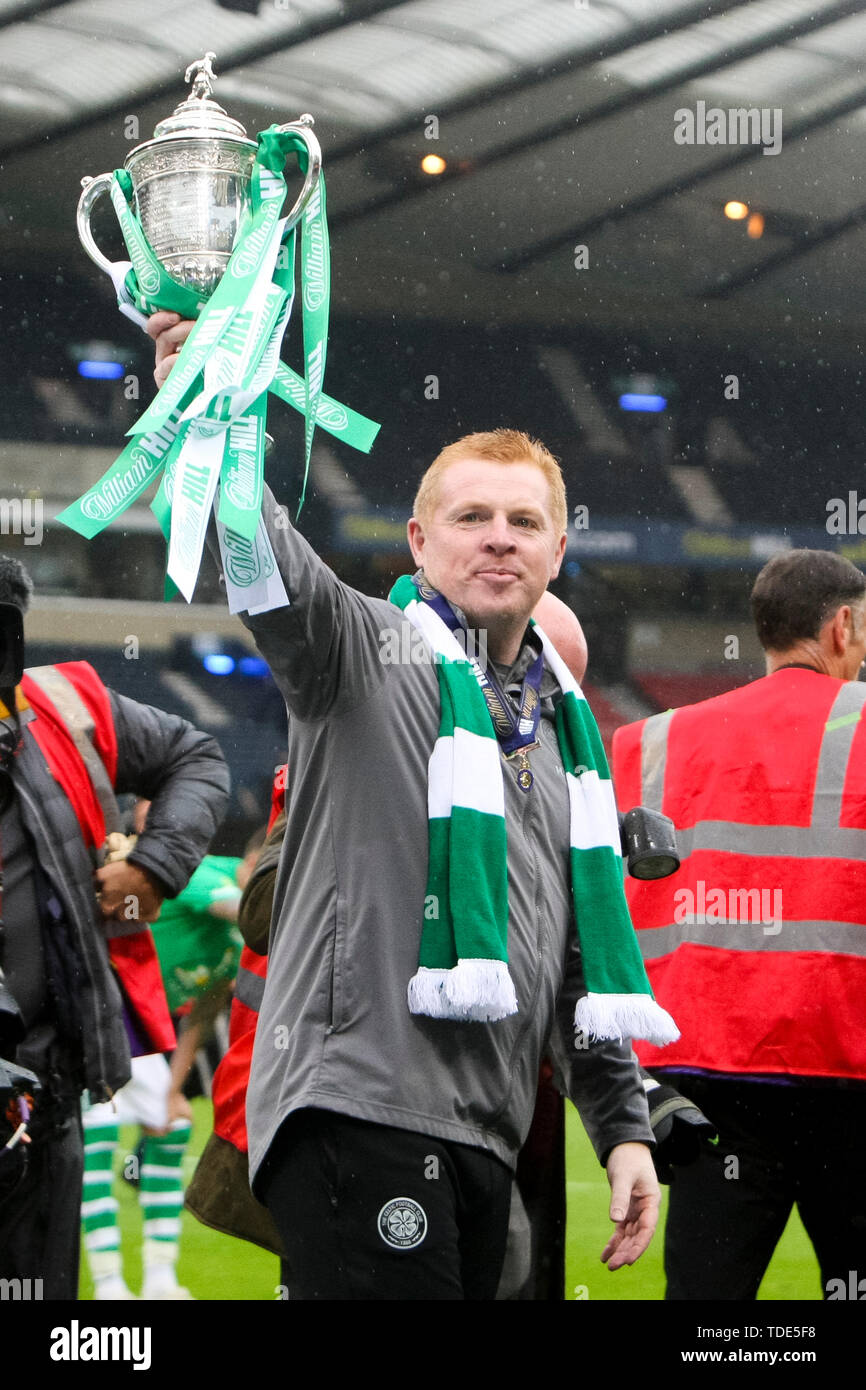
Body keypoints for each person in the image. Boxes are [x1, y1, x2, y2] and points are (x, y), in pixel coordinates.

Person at [149, 312, 677, 1301]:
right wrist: (207, 413)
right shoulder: (360, 653)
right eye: (471, 517)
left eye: (522, 523)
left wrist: (621, 1130)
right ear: (417, 539)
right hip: (358, 1106)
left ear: (557, 549)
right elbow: (260, 557)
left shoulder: (568, 744)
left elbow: (574, 962)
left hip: (485, 1125)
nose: (496, 539)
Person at [611, 548, 866, 1301]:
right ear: (842, 626)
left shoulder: (649, 742)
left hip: (710, 1083)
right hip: (850, 1072)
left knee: (706, 1304)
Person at [0, 553, 230, 1300]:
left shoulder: (68, 705)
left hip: (44, 1094)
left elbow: (196, 758)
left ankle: (144, 1279)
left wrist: (156, 866)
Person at [80, 817, 249, 1301]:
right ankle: (110, 1283)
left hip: (141, 1031)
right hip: (96, 1012)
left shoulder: (241, 947)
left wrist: (175, 1088)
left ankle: (159, 1280)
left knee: (171, 1126)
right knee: (100, 1133)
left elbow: (203, 1011)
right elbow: (245, 907)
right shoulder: (208, 878)